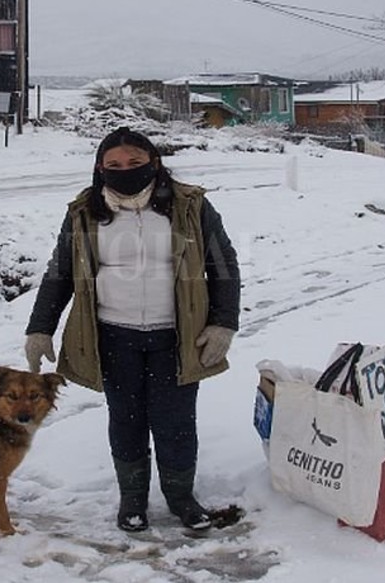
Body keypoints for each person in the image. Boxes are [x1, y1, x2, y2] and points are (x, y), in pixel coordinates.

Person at [24, 126, 240, 532]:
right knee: (126, 419)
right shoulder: (84, 211)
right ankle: (133, 500)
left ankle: (181, 499)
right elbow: (60, 273)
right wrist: (40, 328)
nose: (125, 171)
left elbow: (223, 265)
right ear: (100, 169)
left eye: (135, 163)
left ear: (154, 163)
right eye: (114, 165)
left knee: (175, 422)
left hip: (176, 338)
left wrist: (224, 323)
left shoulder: (191, 206)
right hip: (113, 337)